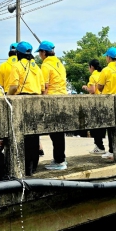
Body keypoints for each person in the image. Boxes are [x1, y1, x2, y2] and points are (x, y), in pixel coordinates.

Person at [8, 41, 45, 176]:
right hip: (35, 100)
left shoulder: (16, 66)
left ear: (18, 53)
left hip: (22, 100)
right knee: (34, 135)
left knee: (22, 136)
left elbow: (13, 86)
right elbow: (42, 88)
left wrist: (7, 96)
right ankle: (33, 166)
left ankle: (24, 167)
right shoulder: (37, 67)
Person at [36, 41, 68, 170]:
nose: (39, 55)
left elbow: (45, 86)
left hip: (51, 100)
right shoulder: (60, 63)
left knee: (55, 133)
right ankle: (61, 158)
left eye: (40, 53)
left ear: (43, 52)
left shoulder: (46, 65)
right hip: (62, 98)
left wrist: (41, 103)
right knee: (59, 132)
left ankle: (59, 160)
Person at [97, 47, 116, 159]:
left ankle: (111, 150)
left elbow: (100, 87)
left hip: (110, 102)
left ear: (109, 57)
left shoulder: (106, 70)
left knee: (111, 128)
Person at [83, 59, 106, 154]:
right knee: (102, 126)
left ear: (91, 67)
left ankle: (99, 146)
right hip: (103, 101)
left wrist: (85, 88)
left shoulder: (93, 76)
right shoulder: (102, 74)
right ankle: (101, 146)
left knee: (96, 126)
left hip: (96, 103)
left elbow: (92, 90)